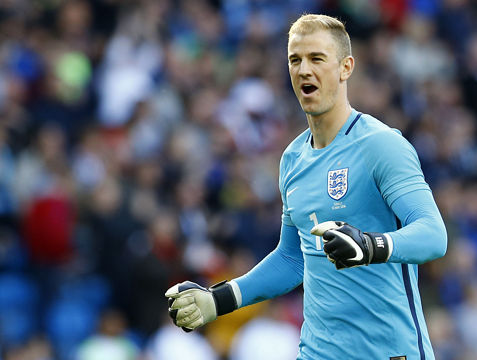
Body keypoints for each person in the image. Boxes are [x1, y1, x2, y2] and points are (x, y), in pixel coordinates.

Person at [165, 14, 448, 360]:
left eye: (316, 59)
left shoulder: (381, 145)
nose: (303, 70)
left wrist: (372, 246)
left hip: (387, 353)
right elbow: (291, 257)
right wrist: (218, 299)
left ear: (345, 68)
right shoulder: (293, 159)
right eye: (295, 60)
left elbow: (434, 235)